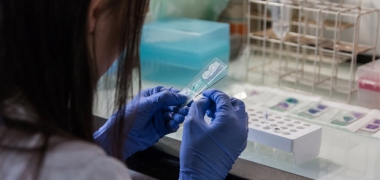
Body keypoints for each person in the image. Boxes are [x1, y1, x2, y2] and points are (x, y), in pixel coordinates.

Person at [0, 0, 248, 179]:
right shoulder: (84, 171)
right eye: (131, 21)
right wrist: (199, 176)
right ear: (94, 14)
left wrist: (106, 144)